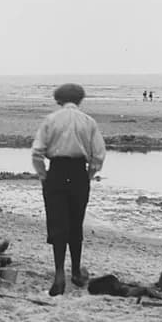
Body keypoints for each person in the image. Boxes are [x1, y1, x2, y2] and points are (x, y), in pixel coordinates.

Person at [31, 83, 106, 297]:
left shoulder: (51, 120)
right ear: (80, 100)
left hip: (56, 170)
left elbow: (37, 152)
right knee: (75, 222)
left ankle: (58, 274)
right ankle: (75, 270)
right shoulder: (88, 121)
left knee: (57, 223)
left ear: (58, 100)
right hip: (78, 172)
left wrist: (43, 175)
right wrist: (89, 175)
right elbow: (98, 155)